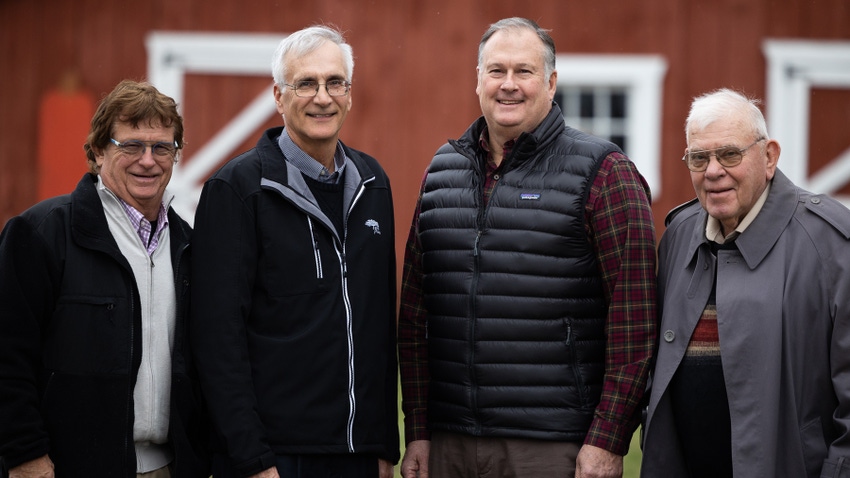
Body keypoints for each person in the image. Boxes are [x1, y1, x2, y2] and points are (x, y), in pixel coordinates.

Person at [398, 17, 657, 478]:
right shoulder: (442, 171)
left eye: (525, 71)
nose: (509, 85)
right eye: (496, 71)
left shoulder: (604, 171)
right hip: (449, 442)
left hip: (553, 447)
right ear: (477, 79)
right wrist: (417, 427)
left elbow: (634, 318)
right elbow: (417, 315)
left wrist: (608, 438)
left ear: (551, 82)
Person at [190, 25, 399, 478]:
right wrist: (250, 457)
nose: (322, 97)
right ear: (279, 97)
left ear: (349, 93)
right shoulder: (238, 190)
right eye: (305, 83)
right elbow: (216, 338)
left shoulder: (373, 183)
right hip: (275, 459)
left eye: (334, 82)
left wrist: (383, 445)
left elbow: (380, 322)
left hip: (358, 456)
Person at [0, 80, 210, 478]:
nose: (148, 160)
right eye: (131, 145)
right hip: (65, 467)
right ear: (98, 150)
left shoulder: (187, 246)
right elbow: (7, 357)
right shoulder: (42, 232)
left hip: (170, 468)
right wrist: (25, 456)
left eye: (161, 147)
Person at [641, 88, 850, 477]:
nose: (713, 171)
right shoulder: (679, 235)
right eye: (699, 158)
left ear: (769, 156)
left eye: (730, 154)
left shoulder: (831, 243)